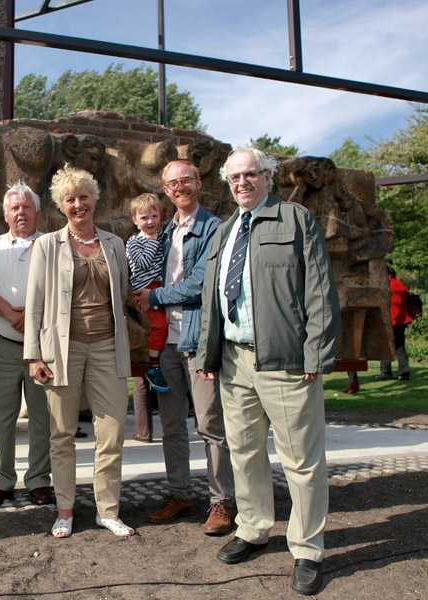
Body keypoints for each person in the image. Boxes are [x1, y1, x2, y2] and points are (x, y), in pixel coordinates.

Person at [195, 147, 341, 596]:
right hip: (234, 362)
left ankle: (308, 549)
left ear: (268, 177)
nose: (242, 182)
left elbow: (319, 290)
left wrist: (316, 353)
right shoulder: (224, 231)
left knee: (301, 461)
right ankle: (253, 528)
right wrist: (207, 354)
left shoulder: (295, 220)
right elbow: (212, 298)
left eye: (250, 174)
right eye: (234, 177)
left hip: (287, 361)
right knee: (244, 452)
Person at [24, 164, 135, 538]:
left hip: (107, 347)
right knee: (61, 434)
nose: (78, 205)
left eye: (84, 197)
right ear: (61, 204)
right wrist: (34, 355)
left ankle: (108, 510)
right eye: (70, 199)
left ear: (94, 200)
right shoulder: (46, 245)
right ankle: (65, 510)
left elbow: (122, 294)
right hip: (62, 350)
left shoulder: (114, 244)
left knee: (112, 432)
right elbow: (35, 303)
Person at [134, 159, 235, 536]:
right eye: (172, 183)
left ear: (199, 183)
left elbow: (201, 284)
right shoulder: (162, 231)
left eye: (186, 180)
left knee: (210, 423)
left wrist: (155, 296)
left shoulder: (213, 228)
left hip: (198, 338)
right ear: (165, 189)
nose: (180, 187)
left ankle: (221, 500)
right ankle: (179, 493)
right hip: (165, 343)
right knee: (172, 424)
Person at [0, 182, 54, 508]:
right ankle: (1, 480)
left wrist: (31, 317)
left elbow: (61, 290)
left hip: (43, 346)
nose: (21, 212)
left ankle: (39, 480)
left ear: (37, 212)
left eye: (26, 207)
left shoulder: (52, 245)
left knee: (43, 416)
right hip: (1, 343)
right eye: (14, 208)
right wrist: (12, 315)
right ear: (5, 214)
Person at [126, 193, 170, 394]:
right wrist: (152, 240)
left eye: (154, 216)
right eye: (144, 218)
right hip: (144, 289)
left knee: (164, 327)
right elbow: (143, 263)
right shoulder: (134, 242)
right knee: (158, 326)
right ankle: (152, 365)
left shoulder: (163, 237)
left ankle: (155, 361)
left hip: (161, 288)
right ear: (135, 220)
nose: (150, 222)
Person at [376, 265, 413, 381]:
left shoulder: (392, 285)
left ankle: (386, 372)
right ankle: (404, 371)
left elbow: (394, 308)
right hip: (401, 321)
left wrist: (390, 324)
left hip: (393, 321)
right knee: (399, 347)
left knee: (385, 347)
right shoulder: (398, 283)